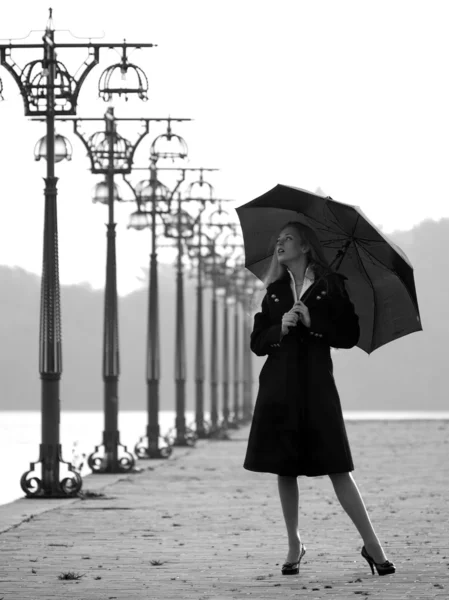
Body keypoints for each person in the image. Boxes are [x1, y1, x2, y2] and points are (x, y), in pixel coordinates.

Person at [243, 221, 395, 577]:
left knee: (338, 465)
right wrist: (279, 327)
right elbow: (257, 342)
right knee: (284, 467)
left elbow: (349, 335)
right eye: (278, 238)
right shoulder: (275, 291)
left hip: (317, 387)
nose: (280, 243)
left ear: (306, 246)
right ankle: (294, 545)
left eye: (288, 239)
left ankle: (373, 545)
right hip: (278, 387)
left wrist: (313, 322)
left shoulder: (331, 287)